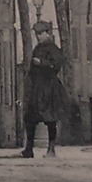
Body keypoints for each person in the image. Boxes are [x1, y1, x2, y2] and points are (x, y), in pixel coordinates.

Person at [20, 20, 71, 158]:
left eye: (41, 33)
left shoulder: (53, 48)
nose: (38, 36)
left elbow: (56, 65)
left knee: (50, 119)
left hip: (49, 87)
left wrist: (42, 63)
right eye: (36, 33)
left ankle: (51, 149)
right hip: (37, 88)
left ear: (47, 33)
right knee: (30, 118)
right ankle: (29, 148)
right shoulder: (38, 48)